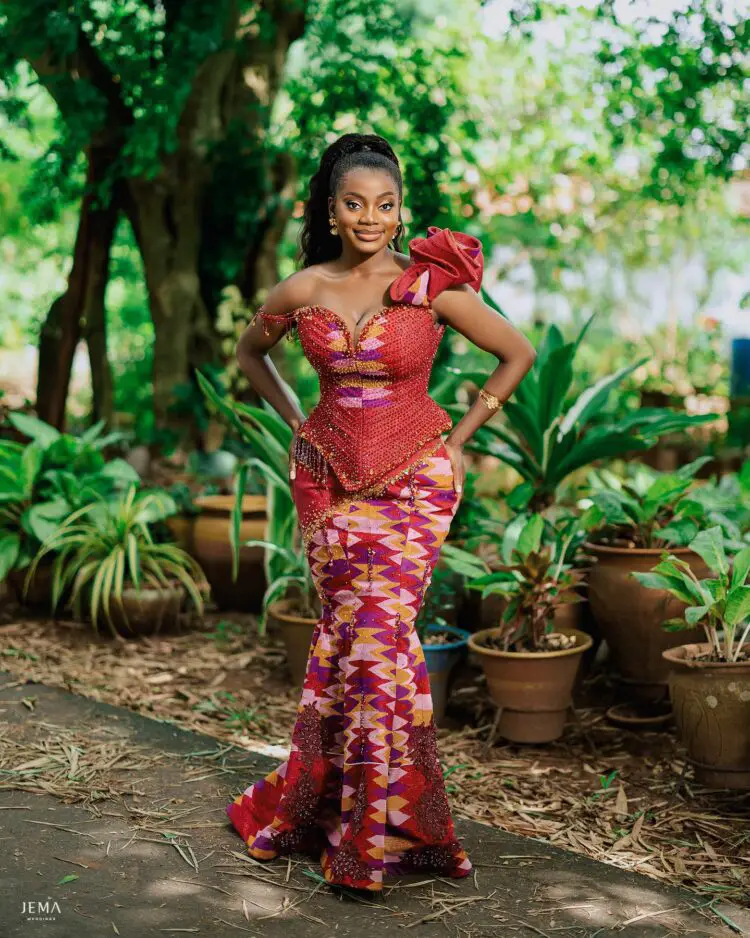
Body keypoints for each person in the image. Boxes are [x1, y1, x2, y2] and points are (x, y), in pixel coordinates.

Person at [226, 132, 536, 892]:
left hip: (415, 483)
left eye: (385, 205)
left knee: (380, 637)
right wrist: (299, 414)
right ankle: (338, 817)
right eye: (355, 203)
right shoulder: (302, 289)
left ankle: (377, 830)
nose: (371, 217)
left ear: (401, 214)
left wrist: (460, 439)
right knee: (349, 643)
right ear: (332, 211)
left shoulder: (431, 286)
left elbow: (516, 352)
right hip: (326, 477)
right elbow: (248, 353)